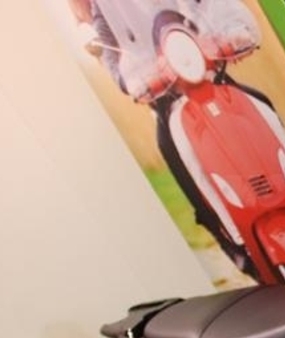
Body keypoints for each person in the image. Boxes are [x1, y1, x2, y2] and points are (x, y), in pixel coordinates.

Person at [70, 0, 263, 276]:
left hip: (207, 74)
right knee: (172, 150)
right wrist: (128, 80)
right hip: (165, 98)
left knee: (260, 106)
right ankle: (229, 238)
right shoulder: (103, 7)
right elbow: (106, 43)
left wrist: (231, 31)